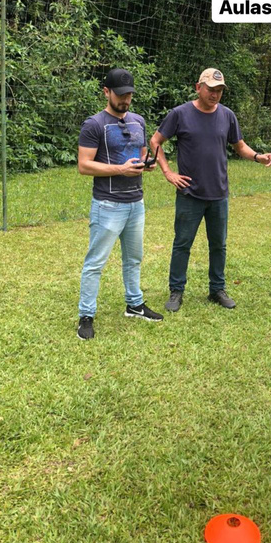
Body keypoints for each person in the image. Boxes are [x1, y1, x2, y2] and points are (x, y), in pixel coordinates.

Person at [150, 68, 271, 312]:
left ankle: (217, 289)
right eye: (211, 89)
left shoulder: (227, 115)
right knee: (182, 243)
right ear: (198, 87)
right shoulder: (180, 114)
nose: (215, 94)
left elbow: (239, 146)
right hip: (189, 194)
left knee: (218, 245)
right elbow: (155, 140)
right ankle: (176, 291)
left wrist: (258, 157)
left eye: (220, 90)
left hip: (219, 194)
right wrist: (168, 172)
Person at [77, 68, 163, 339]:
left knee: (134, 258)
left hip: (136, 203)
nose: (125, 100)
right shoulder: (94, 124)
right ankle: (86, 316)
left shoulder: (138, 121)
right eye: (120, 95)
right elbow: (84, 165)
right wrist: (120, 169)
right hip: (107, 204)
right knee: (95, 263)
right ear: (106, 92)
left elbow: (141, 152)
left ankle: (134, 304)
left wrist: (145, 164)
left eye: (129, 95)